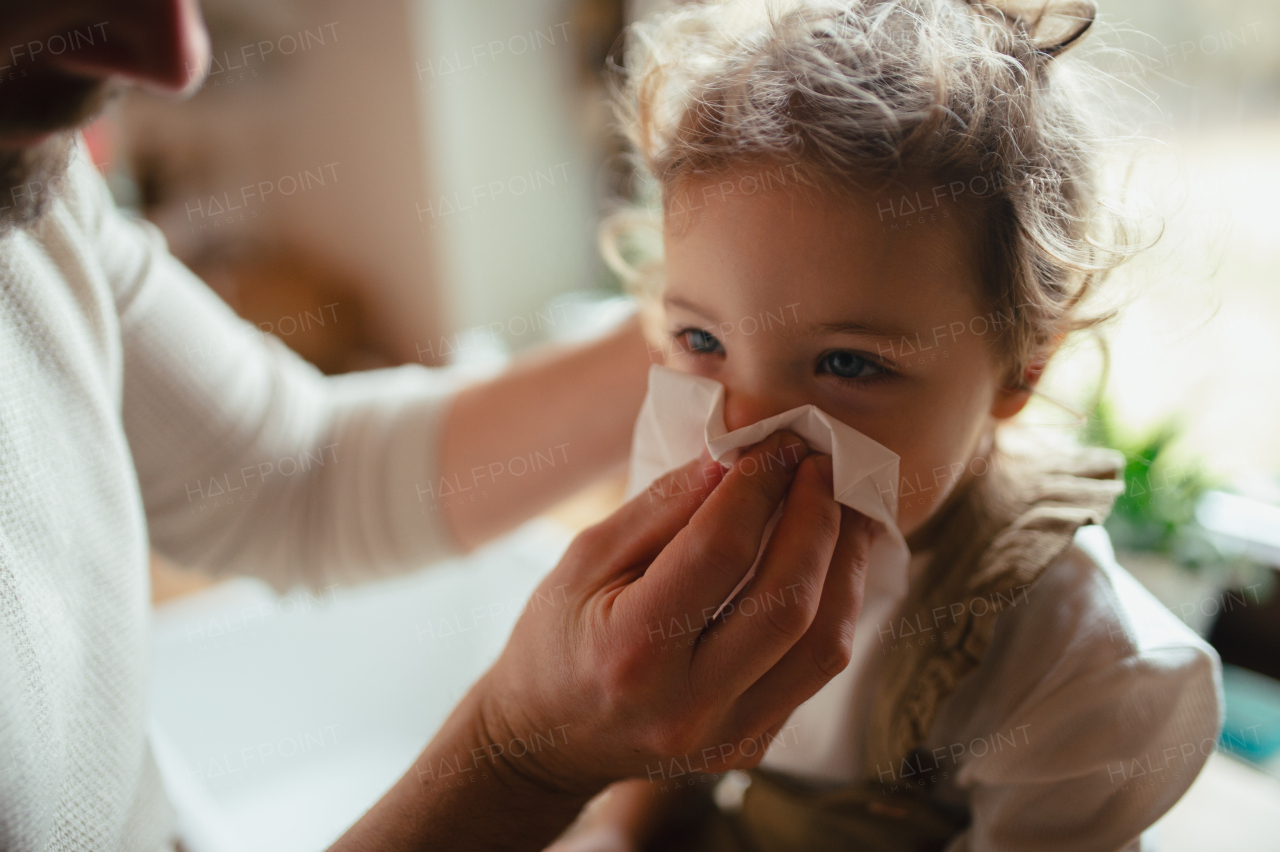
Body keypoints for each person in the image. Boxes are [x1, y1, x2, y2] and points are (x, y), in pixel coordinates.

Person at [0, 1, 875, 850]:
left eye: (856, 360)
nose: (175, 60)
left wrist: (725, 323)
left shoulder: (35, 181)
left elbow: (299, 475)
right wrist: (523, 762)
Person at [553, 0, 1224, 849]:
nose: (744, 437)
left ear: (1023, 366)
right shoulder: (695, 535)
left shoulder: (1076, 667)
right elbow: (654, 762)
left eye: (848, 364)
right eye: (702, 341)